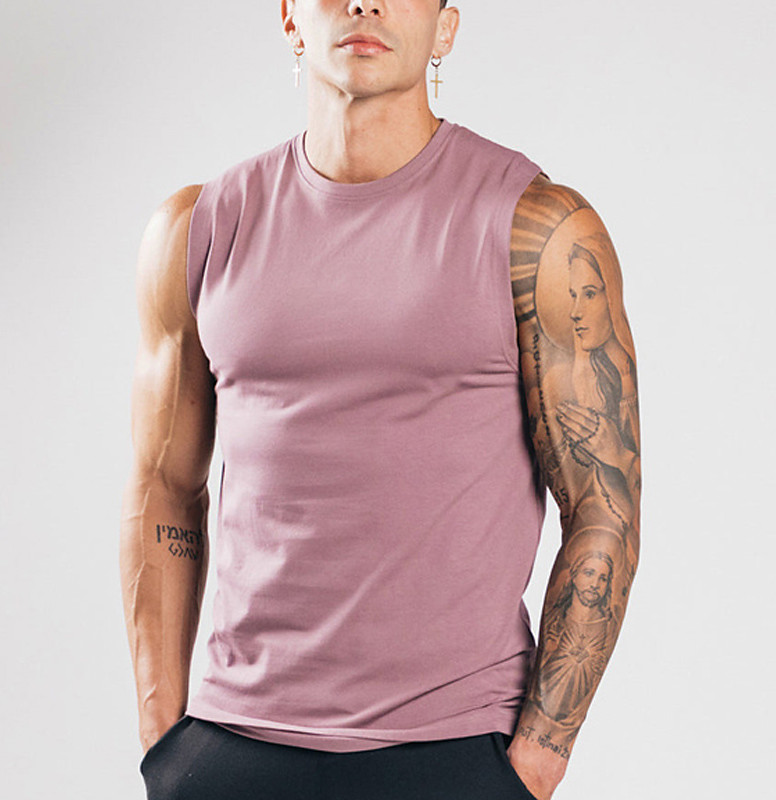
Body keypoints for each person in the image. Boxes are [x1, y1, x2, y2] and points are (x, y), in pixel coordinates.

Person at [119, 2, 641, 799]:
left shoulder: (537, 230)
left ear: (445, 28)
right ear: (290, 18)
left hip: (453, 750)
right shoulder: (201, 228)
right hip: (229, 749)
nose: (365, 2)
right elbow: (163, 484)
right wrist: (164, 742)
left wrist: (533, 764)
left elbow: (604, 508)